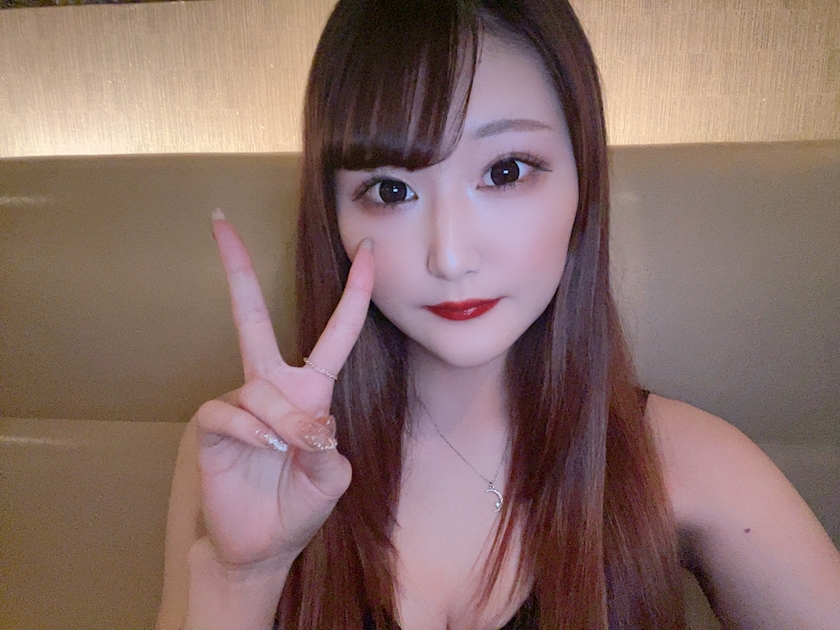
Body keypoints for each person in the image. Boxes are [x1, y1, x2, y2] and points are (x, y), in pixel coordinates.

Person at [157, 1, 840, 628]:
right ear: (333, 213)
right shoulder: (246, 450)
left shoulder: (688, 461)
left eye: (506, 171)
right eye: (390, 190)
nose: (451, 256)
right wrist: (242, 578)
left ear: (583, 182)